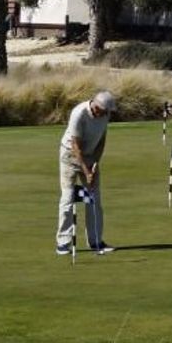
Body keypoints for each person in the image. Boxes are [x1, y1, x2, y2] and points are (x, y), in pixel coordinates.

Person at [57, 90, 116, 255]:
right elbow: (75, 147)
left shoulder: (105, 115)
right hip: (70, 156)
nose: (106, 114)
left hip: (90, 156)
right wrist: (86, 171)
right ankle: (63, 243)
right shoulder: (78, 114)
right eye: (104, 111)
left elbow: (102, 140)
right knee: (68, 199)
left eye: (107, 112)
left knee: (94, 200)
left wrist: (95, 164)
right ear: (96, 107)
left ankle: (96, 241)